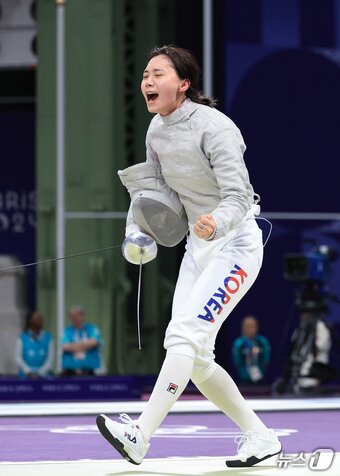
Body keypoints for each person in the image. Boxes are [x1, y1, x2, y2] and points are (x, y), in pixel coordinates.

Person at [96, 45, 281, 467]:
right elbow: (153, 193)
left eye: (157, 73)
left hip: (235, 245)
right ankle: (260, 437)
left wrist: (215, 220)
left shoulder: (215, 128)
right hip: (198, 248)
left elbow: (238, 195)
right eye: (144, 74)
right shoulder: (156, 131)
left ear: (183, 83)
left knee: (183, 336)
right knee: (195, 358)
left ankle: (139, 435)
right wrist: (135, 233)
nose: (147, 80)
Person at [61, 305, 104, 376]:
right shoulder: (66, 331)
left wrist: (73, 346)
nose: (75, 318)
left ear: (83, 316)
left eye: (77, 316)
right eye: (72, 316)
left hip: (90, 371)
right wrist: (87, 345)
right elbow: (65, 347)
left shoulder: (92, 328)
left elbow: (94, 342)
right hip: (70, 371)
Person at [232, 316, 271, 384]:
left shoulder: (263, 341)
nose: (251, 329)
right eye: (248, 327)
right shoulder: (238, 343)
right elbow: (237, 362)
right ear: (244, 328)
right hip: (243, 378)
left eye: (253, 326)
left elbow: (266, 359)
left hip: (260, 376)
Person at [15, 310, 54, 378]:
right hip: (26, 375)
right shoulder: (22, 338)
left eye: (41, 319)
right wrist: (28, 372)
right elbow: (18, 357)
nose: (40, 321)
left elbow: (50, 358)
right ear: (30, 321)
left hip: (44, 376)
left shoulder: (48, 337)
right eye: (38, 319)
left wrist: (40, 373)